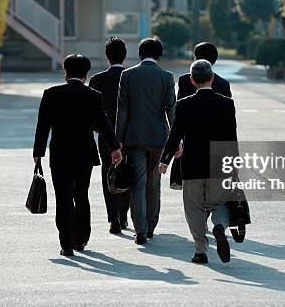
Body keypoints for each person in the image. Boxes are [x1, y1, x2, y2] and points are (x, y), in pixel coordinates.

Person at [33, 54, 122, 257]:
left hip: (59, 154)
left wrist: (38, 153)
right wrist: (115, 148)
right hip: (85, 153)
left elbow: (42, 127)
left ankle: (66, 243)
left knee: (63, 197)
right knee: (81, 195)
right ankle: (81, 238)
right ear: (86, 73)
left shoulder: (51, 94)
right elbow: (104, 124)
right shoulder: (93, 95)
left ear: (65, 72)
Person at [159, 59, 238, 264]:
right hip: (219, 165)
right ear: (212, 78)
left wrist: (165, 161)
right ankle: (219, 226)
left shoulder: (184, 105)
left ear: (192, 81)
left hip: (192, 164)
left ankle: (201, 251)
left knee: (194, 208)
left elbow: (175, 135)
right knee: (220, 203)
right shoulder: (226, 104)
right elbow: (231, 138)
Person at [116, 37, 178, 245]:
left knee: (138, 185)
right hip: (159, 138)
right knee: (154, 184)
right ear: (159, 54)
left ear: (140, 53)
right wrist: (176, 140)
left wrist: (119, 140)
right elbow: (171, 110)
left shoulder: (128, 75)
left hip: (134, 138)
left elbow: (122, 110)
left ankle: (140, 230)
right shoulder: (167, 77)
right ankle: (151, 225)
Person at [89, 37, 131, 235]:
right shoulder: (131, 77)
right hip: (129, 136)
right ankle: (124, 214)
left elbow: (91, 113)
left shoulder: (97, 80)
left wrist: (98, 129)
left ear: (106, 56)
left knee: (108, 174)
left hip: (105, 137)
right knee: (127, 174)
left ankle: (113, 217)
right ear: (125, 55)